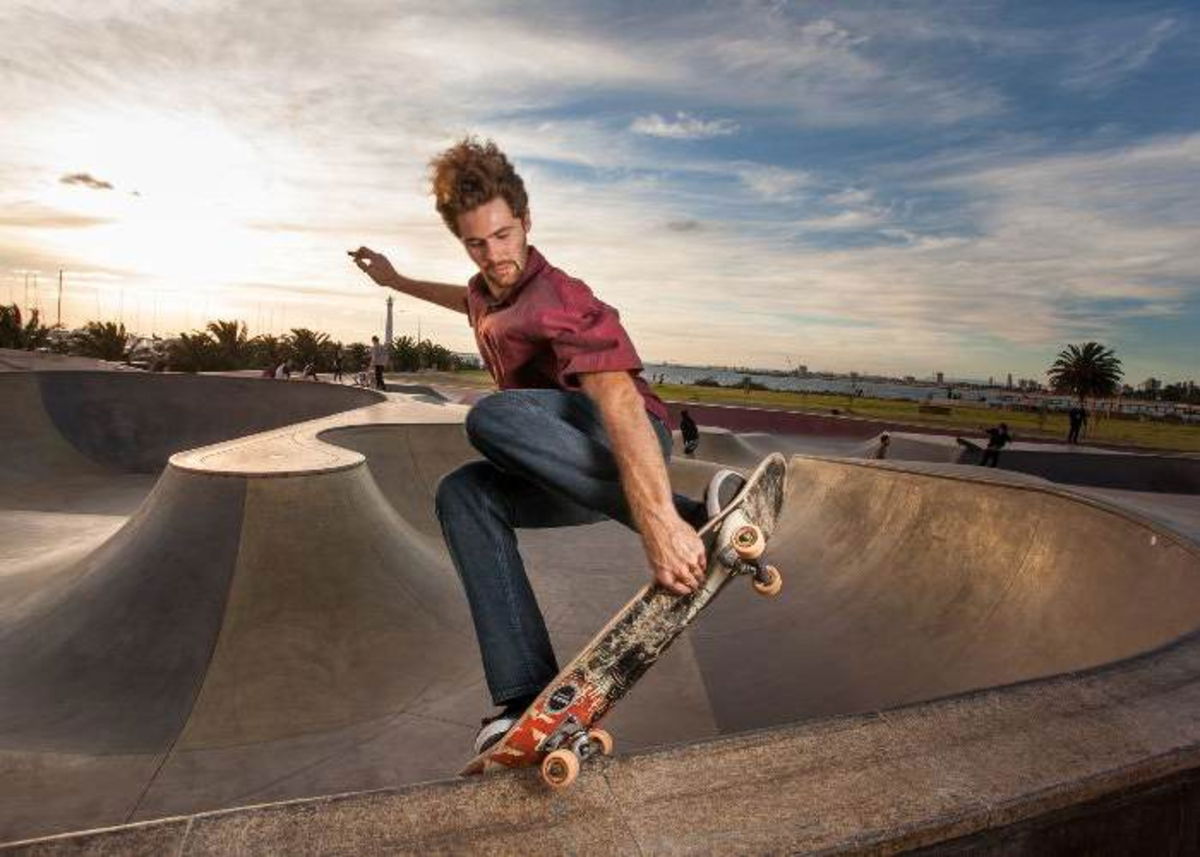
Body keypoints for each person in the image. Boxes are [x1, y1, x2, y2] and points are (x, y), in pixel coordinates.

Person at [349, 137, 743, 755]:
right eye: (477, 244)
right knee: (463, 494)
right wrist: (395, 281)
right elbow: (466, 299)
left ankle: (700, 518)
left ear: (526, 223)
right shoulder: (484, 287)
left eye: (504, 237)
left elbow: (616, 397)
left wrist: (663, 519)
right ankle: (526, 695)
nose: (495, 256)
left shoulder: (563, 297)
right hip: (564, 469)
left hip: (625, 442)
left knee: (491, 419)